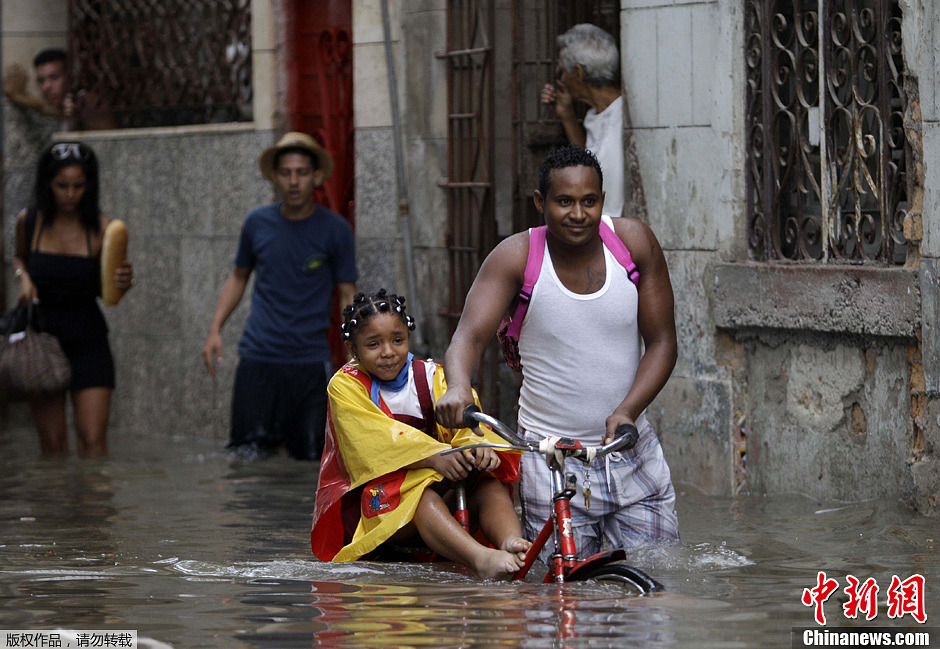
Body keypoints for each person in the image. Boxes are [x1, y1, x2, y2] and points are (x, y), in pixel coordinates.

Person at [435, 145, 679, 561]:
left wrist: (627, 412)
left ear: (603, 198)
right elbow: (468, 336)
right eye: (564, 202)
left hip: (630, 455)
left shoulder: (634, 242)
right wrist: (458, 386)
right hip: (550, 463)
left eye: (589, 201)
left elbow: (663, 343)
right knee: (561, 602)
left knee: (656, 593)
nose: (578, 214)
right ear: (540, 202)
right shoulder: (516, 257)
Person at [310, 290, 530, 579]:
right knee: (420, 497)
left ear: (408, 338)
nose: (388, 352)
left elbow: (465, 419)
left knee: (489, 484)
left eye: (397, 340)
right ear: (353, 349)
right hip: (380, 503)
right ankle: (481, 558)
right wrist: (435, 456)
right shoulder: (345, 387)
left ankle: (512, 547)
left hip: (439, 484)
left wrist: (479, 445)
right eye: (374, 344)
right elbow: (373, 441)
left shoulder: (432, 375)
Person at [202, 132, 358, 461]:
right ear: (275, 176)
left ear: (316, 176)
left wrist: (354, 353)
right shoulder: (257, 223)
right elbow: (239, 276)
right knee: (246, 457)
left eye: (301, 172)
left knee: (311, 460)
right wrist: (215, 328)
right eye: (286, 173)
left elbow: (347, 293)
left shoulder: (336, 231)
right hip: (258, 357)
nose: (294, 181)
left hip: (309, 361)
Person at [12, 141, 134, 457]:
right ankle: (55, 507)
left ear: (89, 186)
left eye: (78, 186)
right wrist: (23, 277)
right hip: (43, 343)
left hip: (88, 341)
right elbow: (19, 259)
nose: (69, 195)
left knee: (93, 443)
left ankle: (94, 506)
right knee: (52, 447)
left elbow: (112, 294)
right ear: (47, 184)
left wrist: (124, 281)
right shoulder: (30, 221)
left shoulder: (105, 230)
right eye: (61, 186)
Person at [540, 24, 625, 219]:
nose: (560, 80)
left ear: (578, 73)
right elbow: (589, 164)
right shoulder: (599, 114)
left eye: (562, 72)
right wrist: (567, 115)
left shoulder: (618, 122)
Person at [3, 48, 118, 131]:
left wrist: (78, 118)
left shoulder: (87, 102)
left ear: (70, 76)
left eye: (54, 78)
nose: (46, 86)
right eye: (41, 80)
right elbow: (43, 106)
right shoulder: (54, 105)